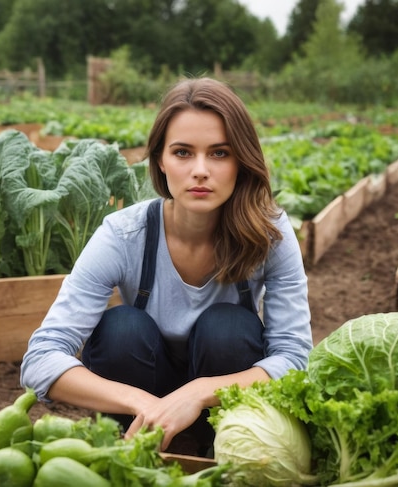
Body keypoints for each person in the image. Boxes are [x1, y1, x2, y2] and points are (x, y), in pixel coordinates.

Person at [20, 76, 313, 455]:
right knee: (121, 328)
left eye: (220, 153)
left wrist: (199, 393)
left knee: (228, 326)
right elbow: (41, 358)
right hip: (138, 414)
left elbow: (294, 359)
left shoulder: (269, 233)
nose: (201, 170)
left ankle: (210, 450)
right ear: (161, 158)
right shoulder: (124, 234)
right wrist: (143, 403)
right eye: (183, 152)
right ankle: (135, 447)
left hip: (226, 415)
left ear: (242, 160)